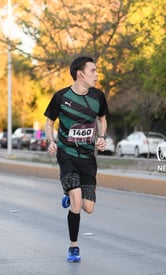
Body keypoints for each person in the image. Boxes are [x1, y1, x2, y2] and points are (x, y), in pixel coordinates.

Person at [44, 56, 109, 262]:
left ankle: (71, 195)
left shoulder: (98, 96)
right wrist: (51, 141)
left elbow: (102, 119)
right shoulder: (61, 97)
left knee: (88, 207)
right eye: (93, 71)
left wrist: (101, 138)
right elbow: (49, 122)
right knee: (77, 200)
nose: (96, 75)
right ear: (80, 74)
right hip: (67, 154)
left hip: (88, 157)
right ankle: (74, 247)